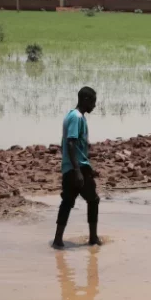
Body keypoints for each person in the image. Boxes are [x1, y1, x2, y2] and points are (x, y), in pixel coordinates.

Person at [53, 87, 100, 248]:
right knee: (93, 200)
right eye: (93, 101)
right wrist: (78, 171)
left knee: (67, 202)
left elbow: (68, 144)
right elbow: (70, 143)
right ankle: (93, 238)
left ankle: (58, 240)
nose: (94, 105)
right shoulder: (77, 117)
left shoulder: (72, 116)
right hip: (77, 168)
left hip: (70, 167)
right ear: (86, 100)